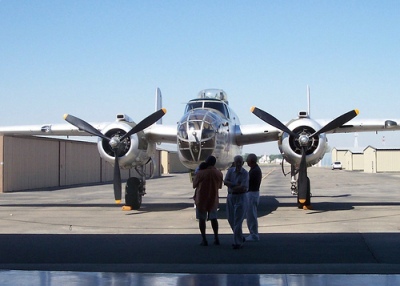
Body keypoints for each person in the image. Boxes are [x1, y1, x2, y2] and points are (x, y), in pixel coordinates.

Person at [192, 155, 223, 246]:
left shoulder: (200, 173)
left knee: (202, 219)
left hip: (201, 198)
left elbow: (194, 185)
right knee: (214, 219)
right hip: (213, 198)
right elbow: (220, 186)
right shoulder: (218, 173)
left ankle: (204, 239)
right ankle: (216, 238)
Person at [224, 155, 249, 249]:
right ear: (234, 163)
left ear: (243, 163)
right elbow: (225, 181)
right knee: (230, 219)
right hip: (231, 196)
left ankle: (237, 243)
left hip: (241, 197)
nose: (238, 164)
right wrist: (235, 185)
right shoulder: (230, 171)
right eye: (236, 162)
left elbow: (243, 187)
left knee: (238, 220)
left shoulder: (245, 173)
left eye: (240, 162)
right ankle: (240, 237)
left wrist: (231, 185)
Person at [245, 153, 262, 241]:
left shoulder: (254, 171)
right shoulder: (255, 169)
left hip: (252, 194)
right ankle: (253, 233)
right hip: (253, 194)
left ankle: (254, 234)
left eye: (247, 160)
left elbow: (247, 182)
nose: (246, 162)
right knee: (251, 215)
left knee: (251, 216)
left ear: (251, 161)